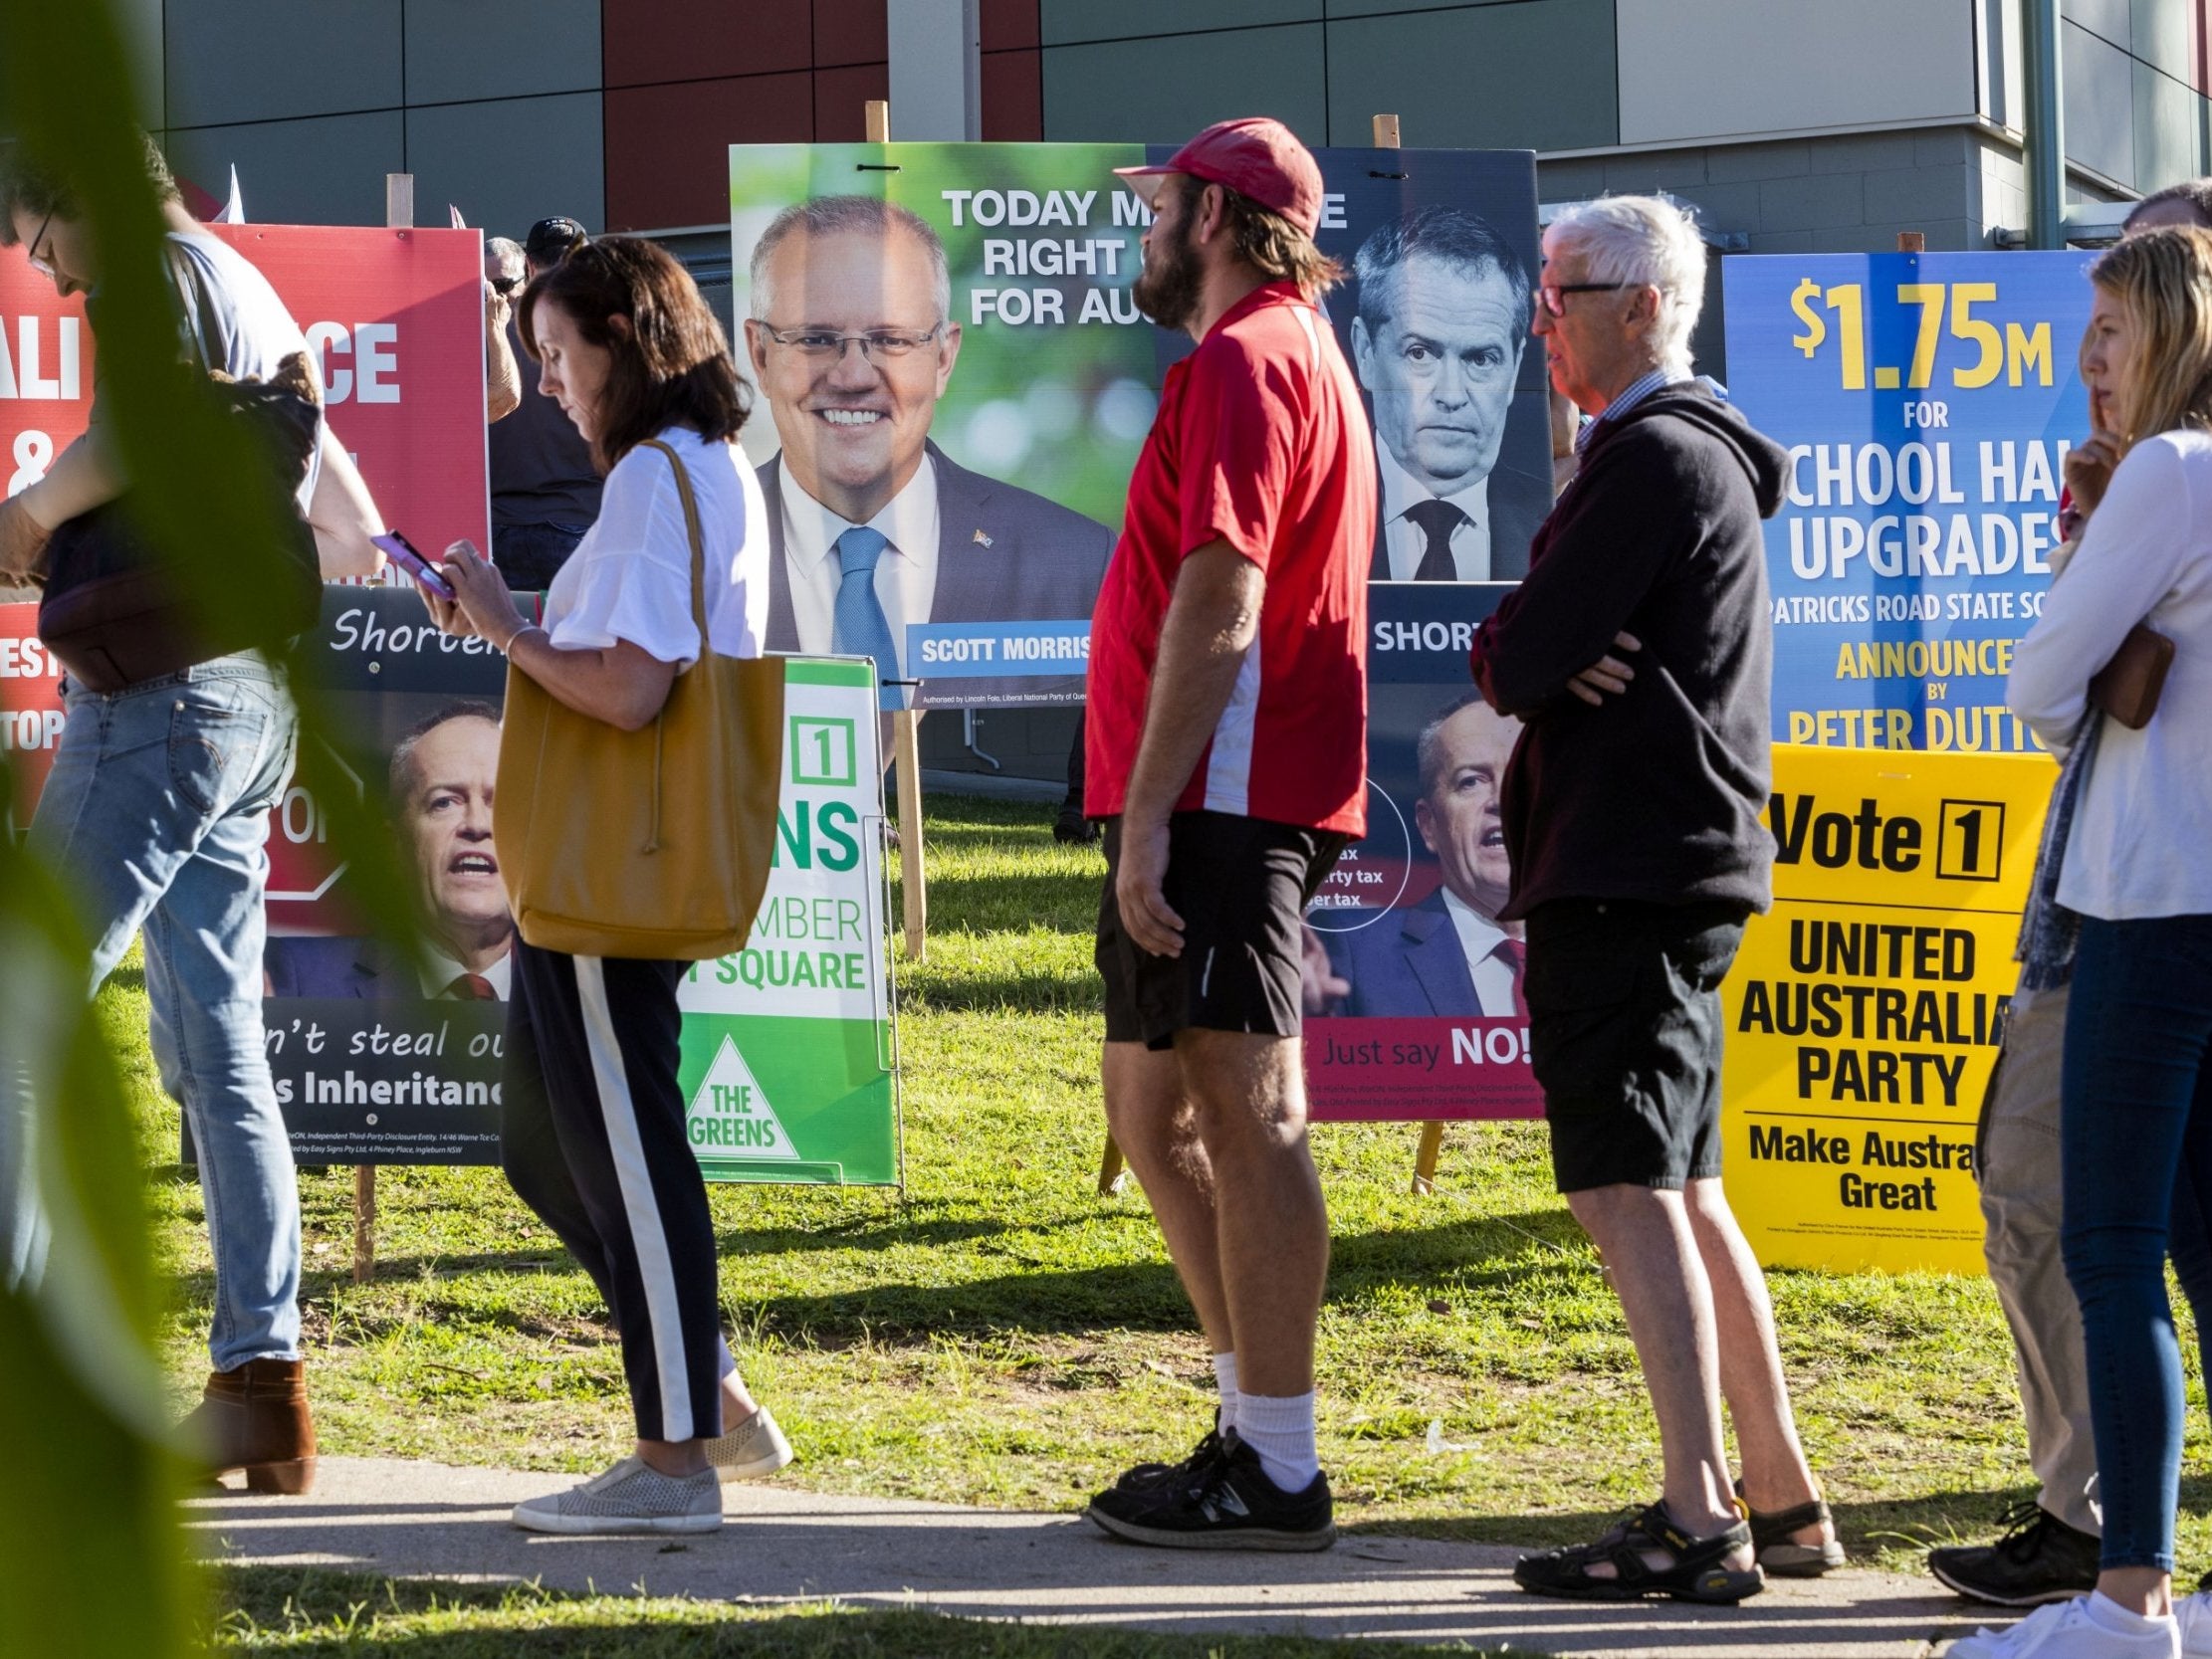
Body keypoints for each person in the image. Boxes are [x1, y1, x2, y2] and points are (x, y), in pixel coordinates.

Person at [0, 132, 384, 1497]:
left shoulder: (157, 265)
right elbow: (344, 513)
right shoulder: (246, 283)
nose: (48, 277)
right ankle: (259, 1388)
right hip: (240, 692)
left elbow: (138, 434)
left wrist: (30, 514)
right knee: (221, 1045)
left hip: (154, 694)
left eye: (46, 244)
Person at [1466, 193, 1837, 1603]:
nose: (1540, 321)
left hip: (1628, 867)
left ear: (1643, 305)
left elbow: (1511, 654)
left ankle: (1698, 1511)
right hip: (1666, 865)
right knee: (1679, 1185)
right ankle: (1781, 1491)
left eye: (1559, 293)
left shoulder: (1648, 461)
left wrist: (1543, 643)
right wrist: (1547, 644)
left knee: (1626, 1186)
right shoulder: (1682, 457)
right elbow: (1538, 647)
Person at [419, 236, 792, 1536]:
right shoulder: (706, 467)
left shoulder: (648, 479)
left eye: (560, 355)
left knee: (628, 1150)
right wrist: (515, 621)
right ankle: (712, 1395)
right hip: (622, 864)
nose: (550, 382)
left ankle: (675, 1458)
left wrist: (502, 626)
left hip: (607, 870)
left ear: (624, 346)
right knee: (544, 1138)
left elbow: (631, 687)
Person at [1079, 116, 1374, 1552]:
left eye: (1159, 204)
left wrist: (1146, 814)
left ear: (1213, 216)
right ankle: (1245, 1426)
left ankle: (1279, 1456)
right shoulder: (1261, 349)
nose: (1144, 226)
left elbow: (1223, 594)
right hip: (1200, 787)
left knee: (1248, 1116)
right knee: (1149, 1114)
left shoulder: (1253, 355)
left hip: (1223, 793)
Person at [1929, 179, 2212, 1613]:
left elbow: (2034, 685)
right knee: (2200, 1251)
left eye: (2106, 326)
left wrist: (2086, 637)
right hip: (2189, 897)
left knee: (2106, 1245)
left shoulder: (2164, 472)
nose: (2086, 353)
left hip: (2145, 906)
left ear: (2164, 327)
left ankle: (2125, 1595)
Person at [741, 196, 1112, 708]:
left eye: (891, 340)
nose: (853, 376)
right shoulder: (685, 559)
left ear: (943, 357)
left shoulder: (1074, 563)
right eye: (815, 339)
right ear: (760, 355)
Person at [264, 703, 514, 1001]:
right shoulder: (294, 980)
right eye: (444, 802)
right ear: (395, 845)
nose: (477, 824)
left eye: (503, 804)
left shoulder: (580, 994)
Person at [1350, 206, 1546, 582]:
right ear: (1366, 353)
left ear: (1516, 367)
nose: (1451, 395)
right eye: (1420, 353)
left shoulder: (1560, 527)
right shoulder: (1299, 515)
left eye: (1481, 358)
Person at [1318, 693, 1522, 1017]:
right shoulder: (1351, 953)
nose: (1501, 799)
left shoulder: (1614, 955)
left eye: (1521, 777)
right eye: (1471, 781)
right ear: (1429, 825)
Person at [487, 216, 600, 591]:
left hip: (499, 527)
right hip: (579, 522)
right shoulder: (603, 329)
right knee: (585, 647)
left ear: (529, 265)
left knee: (509, 646)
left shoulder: (487, 326)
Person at [483, 237, 522, 424]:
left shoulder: (551, 331)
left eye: (502, 285)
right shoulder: (465, 335)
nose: (492, 295)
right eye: (483, 287)